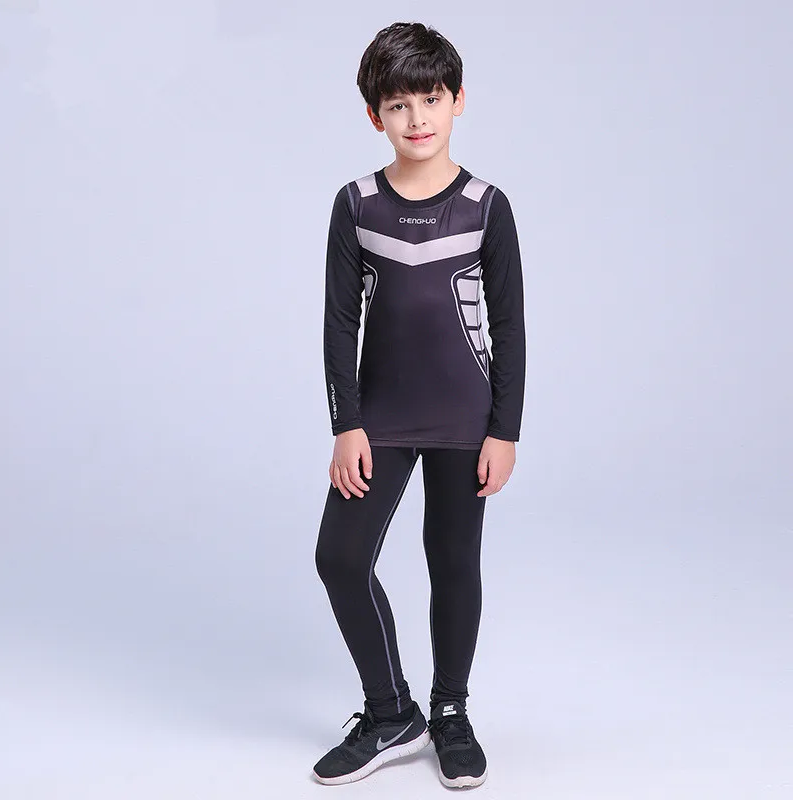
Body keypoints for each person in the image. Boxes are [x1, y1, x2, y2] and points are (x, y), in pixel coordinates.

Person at [312, 20, 526, 789]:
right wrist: (346, 422)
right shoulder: (356, 204)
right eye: (398, 105)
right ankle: (390, 712)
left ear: (457, 100)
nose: (417, 118)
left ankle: (451, 711)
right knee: (340, 558)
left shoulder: (486, 206)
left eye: (430, 99)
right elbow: (339, 321)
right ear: (376, 115)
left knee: (453, 563)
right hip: (380, 418)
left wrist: (505, 431)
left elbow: (509, 326)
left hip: (466, 420)